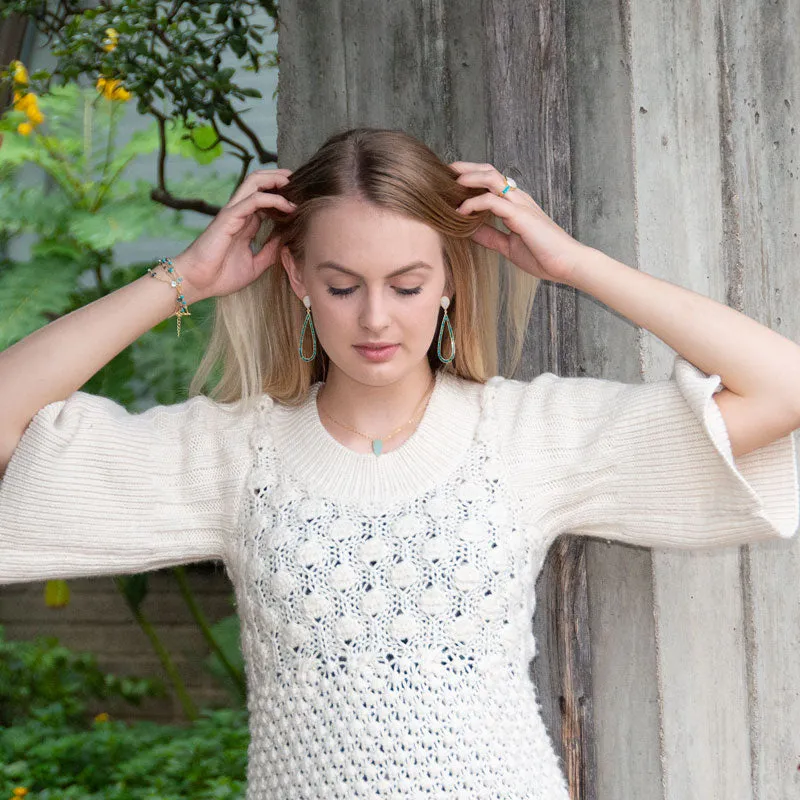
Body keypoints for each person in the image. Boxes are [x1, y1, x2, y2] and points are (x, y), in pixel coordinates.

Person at [0, 126, 798, 799]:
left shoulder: (527, 438)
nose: (376, 318)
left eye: (408, 285)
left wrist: (575, 264)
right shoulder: (233, 455)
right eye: (343, 285)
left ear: (449, 279)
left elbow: (784, 387)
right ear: (296, 277)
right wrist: (184, 279)